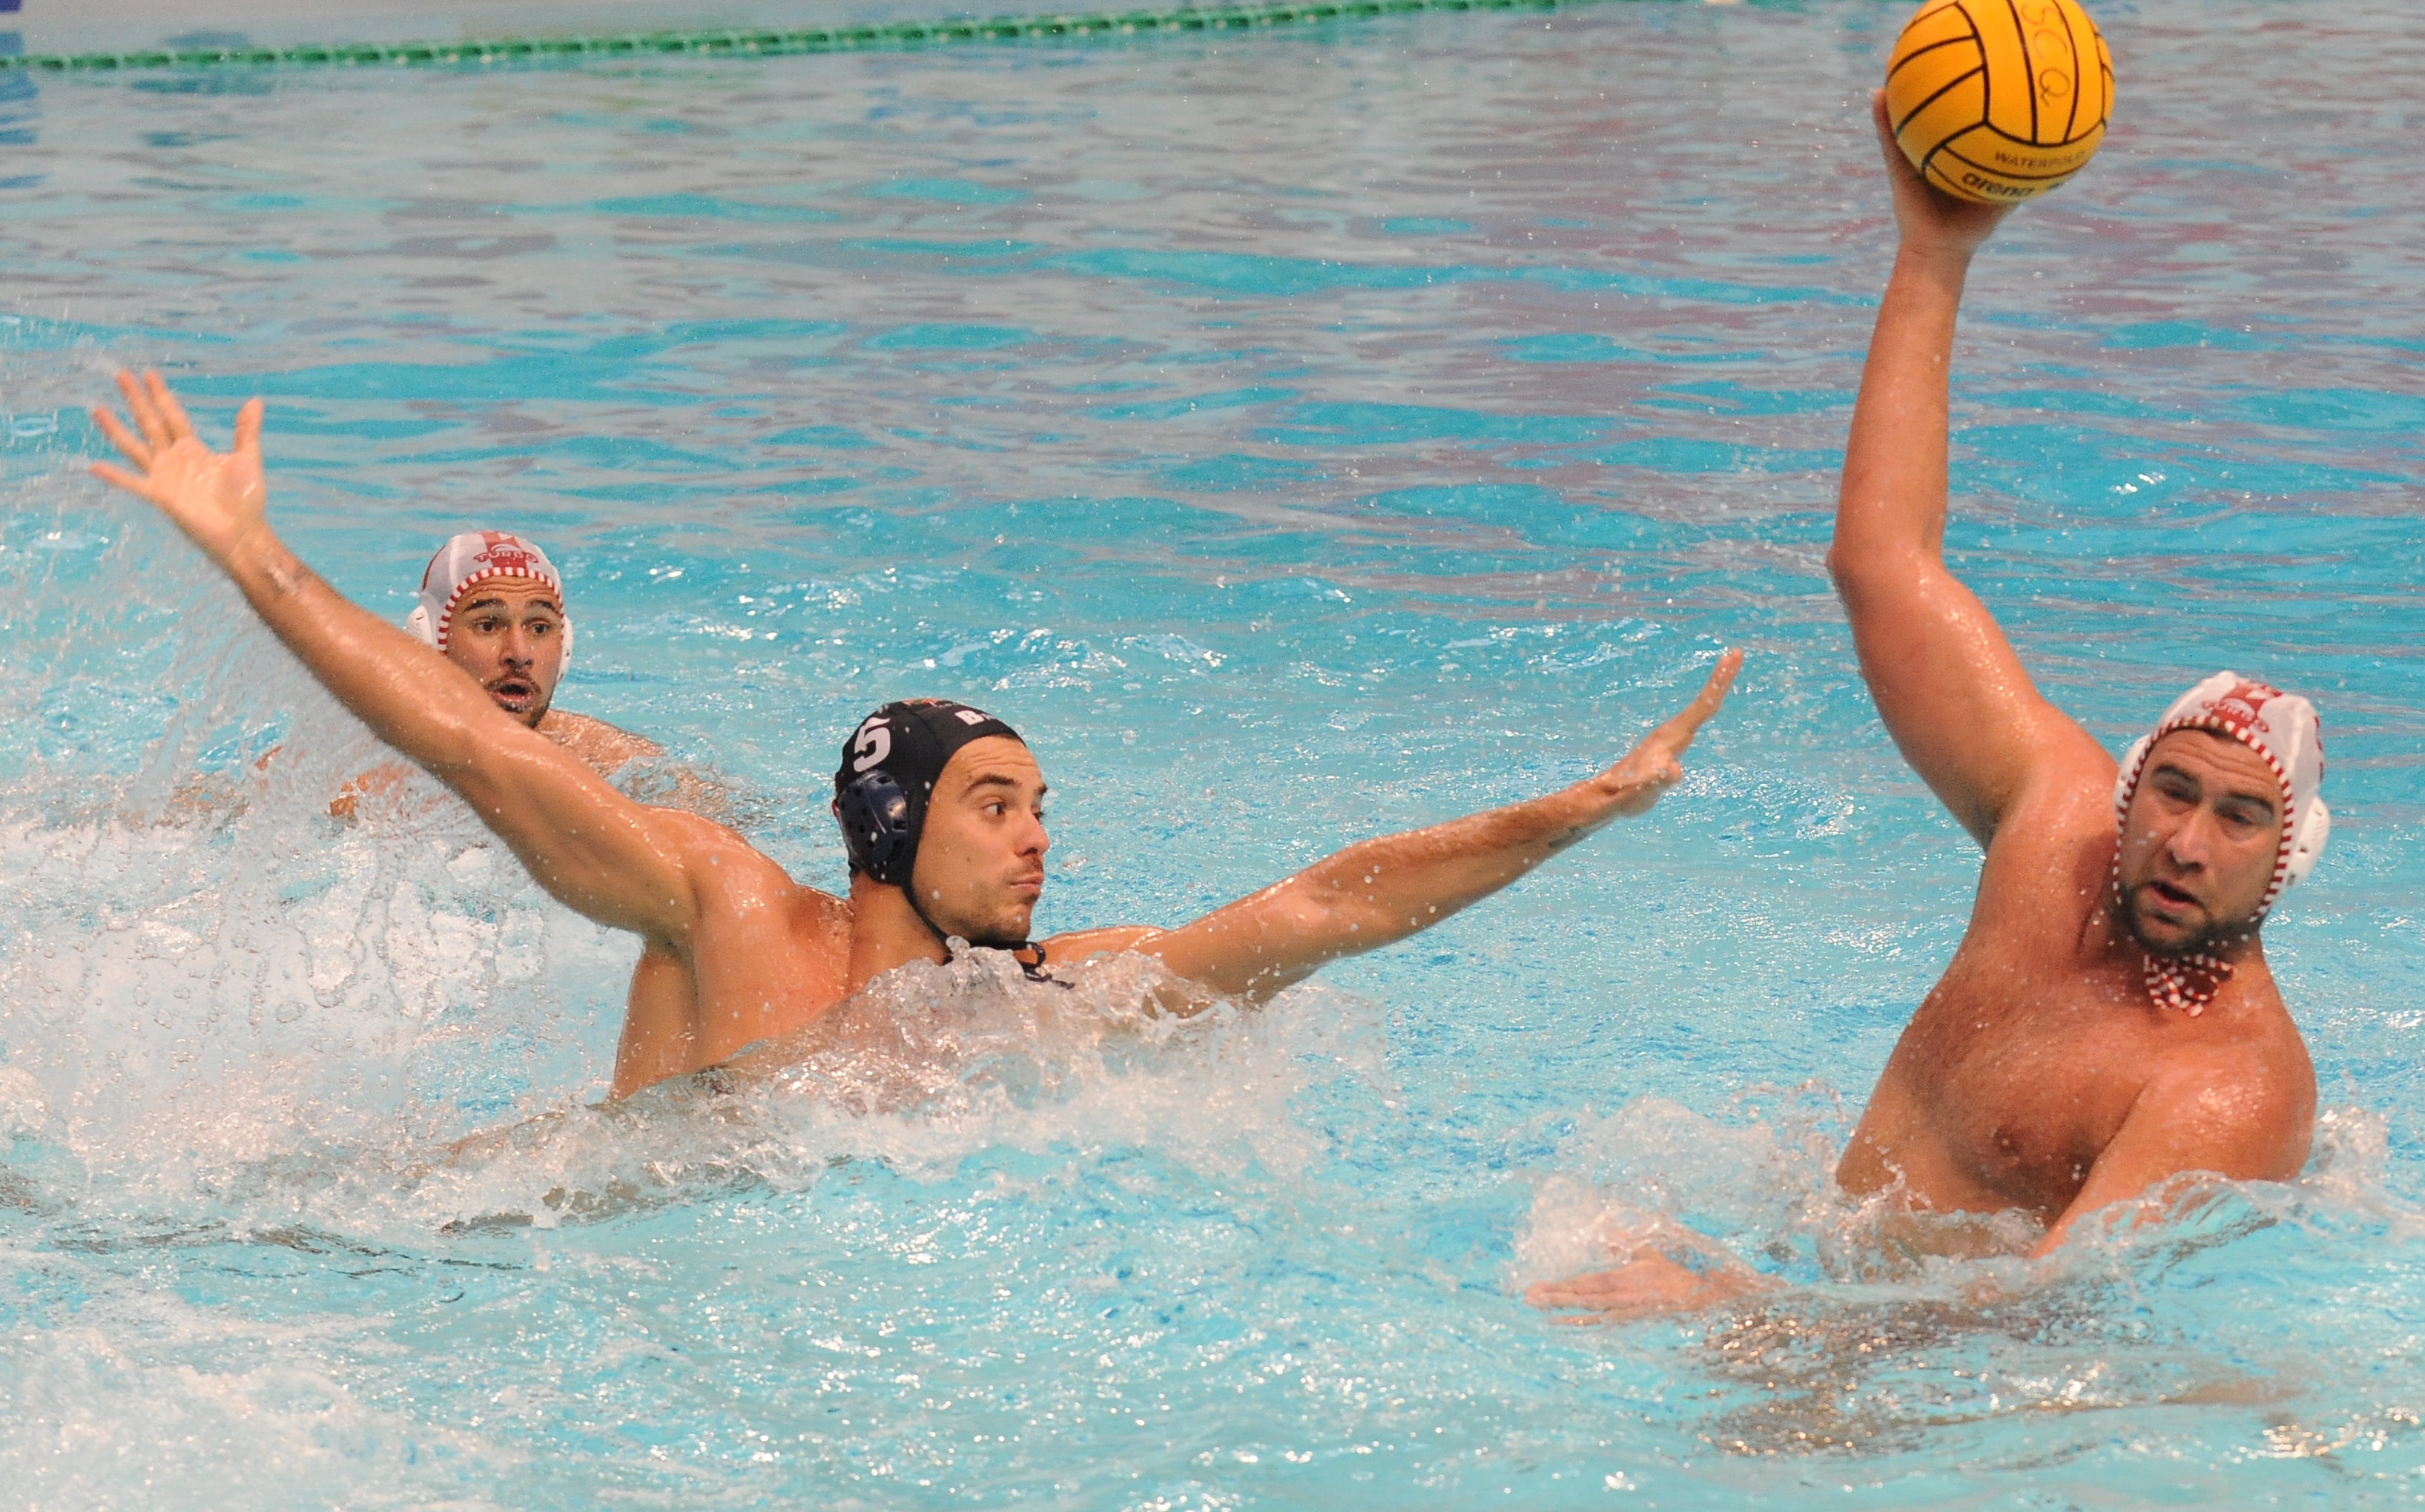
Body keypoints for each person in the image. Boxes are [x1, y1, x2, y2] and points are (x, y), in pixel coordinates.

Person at [89, 369, 1743, 1100]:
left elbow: (1325, 904)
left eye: (1041, 803)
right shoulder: (722, 907)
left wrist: (1578, 807)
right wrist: (257, 562)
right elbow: (478, 760)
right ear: (895, 825)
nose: (1040, 837)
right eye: (998, 803)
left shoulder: (1040, 994)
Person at [1526, 94, 2327, 1321]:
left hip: (1926, 1400)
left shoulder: (2229, 1088)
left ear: (2286, 859)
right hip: (1814, 1306)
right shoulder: (2051, 825)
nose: (2185, 840)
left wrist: (1730, 1303)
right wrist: (1935, 249)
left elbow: (2040, 1330)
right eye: (2171, 790)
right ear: (2125, 790)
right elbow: (1882, 564)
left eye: (2239, 817)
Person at [328, 529, 676, 819]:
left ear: (565, 645)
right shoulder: (357, 785)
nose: (519, 654)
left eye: (539, 628)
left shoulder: (619, 764)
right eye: (488, 625)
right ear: (431, 641)